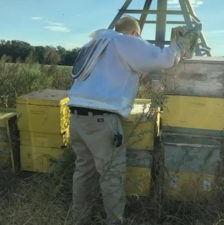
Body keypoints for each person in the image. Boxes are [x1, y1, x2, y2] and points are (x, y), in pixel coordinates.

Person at [68, 16, 182, 225]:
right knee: (112, 174)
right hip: (101, 121)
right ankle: (115, 221)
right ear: (134, 34)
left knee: (83, 171)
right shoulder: (123, 41)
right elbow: (164, 59)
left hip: (76, 118)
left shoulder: (94, 44)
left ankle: (79, 219)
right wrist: (177, 46)